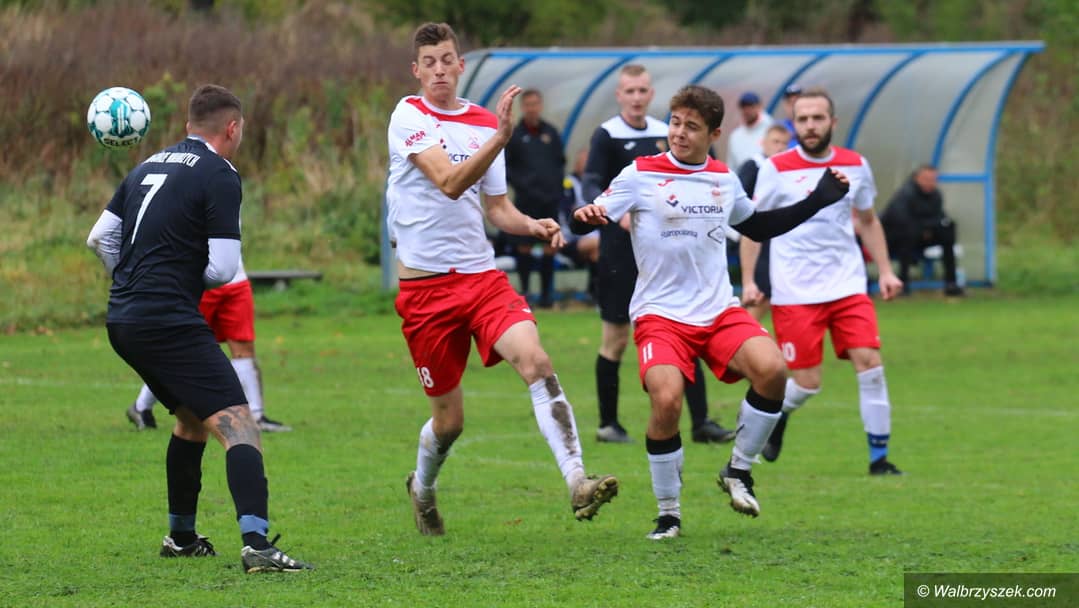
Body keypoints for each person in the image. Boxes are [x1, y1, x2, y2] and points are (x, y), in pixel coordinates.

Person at [572, 84, 851, 537]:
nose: (679, 133)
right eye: (675, 123)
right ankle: (669, 513)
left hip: (718, 310)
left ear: (713, 134)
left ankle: (738, 469)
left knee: (773, 371)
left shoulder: (723, 179)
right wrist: (584, 217)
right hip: (661, 315)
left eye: (692, 126)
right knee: (666, 399)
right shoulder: (640, 173)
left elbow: (757, 225)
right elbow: (593, 211)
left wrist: (817, 199)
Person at [386, 22, 618, 537]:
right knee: (449, 423)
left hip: (481, 278)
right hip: (425, 290)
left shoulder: (483, 122)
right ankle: (422, 489)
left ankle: (577, 480)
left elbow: (495, 207)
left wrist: (532, 225)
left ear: (461, 65)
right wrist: (500, 138)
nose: (440, 70)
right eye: (430, 62)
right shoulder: (409, 115)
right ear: (417, 70)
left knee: (536, 361)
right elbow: (449, 183)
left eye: (447, 60)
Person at [86, 84, 312, 572]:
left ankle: (182, 538)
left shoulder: (146, 165)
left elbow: (99, 237)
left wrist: (129, 279)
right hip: (167, 318)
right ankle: (258, 546)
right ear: (232, 128)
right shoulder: (220, 173)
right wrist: (177, 281)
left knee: (191, 421)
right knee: (240, 425)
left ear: (189, 125)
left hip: (122, 318)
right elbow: (223, 269)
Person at [740, 87, 905, 476]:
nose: (810, 126)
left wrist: (885, 270)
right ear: (793, 124)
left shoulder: (856, 165)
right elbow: (753, 227)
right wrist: (748, 280)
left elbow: (868, 220)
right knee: (807, 383)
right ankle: (778, 414)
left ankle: (879, 460)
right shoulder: (775, 168)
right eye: (802, 119)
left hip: (848, 285)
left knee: (871, 363)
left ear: (833, 122)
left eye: (817, 118)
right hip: (795, 291)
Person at [582, 64, 734, 445]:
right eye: (629, 91)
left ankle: (701, 421)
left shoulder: (666, 133)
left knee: (686, 327)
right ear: (619, 95)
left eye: (642, 91)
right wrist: (609, 214)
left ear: (651, 95)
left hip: (669, 252)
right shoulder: (607, 134)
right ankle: (608, 423)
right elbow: (591, 183)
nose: (636, 97)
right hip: (620, 253)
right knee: (616, 338)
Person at [125, 256, 292, 433]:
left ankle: (256, 416)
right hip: (200, 284)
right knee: (182, 352)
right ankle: (141, 407)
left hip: (236, 281)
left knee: (243, 347)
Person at [504, 89, 566, 307]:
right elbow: (507, 167)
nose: (532, 108)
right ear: (523, 107)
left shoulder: (551, 132)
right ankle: (526, 292)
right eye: (528, 104)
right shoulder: (515, 135)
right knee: (524, 246)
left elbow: (560, 162)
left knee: (550, 245)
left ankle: (547, 295)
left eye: (535, 104)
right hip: (526, 200)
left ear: (540, 106)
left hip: (549, 200)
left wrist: (556, 190)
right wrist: (524, 186)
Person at [881, 164, 964, 296]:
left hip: (923, 235)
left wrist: (928, 228)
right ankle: (903, 283)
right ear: (917, 178)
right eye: (926, 179)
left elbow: (939, 217)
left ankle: (951, 283)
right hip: (895, 239)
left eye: (933, 179)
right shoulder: (905, 194)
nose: (930, 183)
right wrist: (924, 228)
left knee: (948, 231)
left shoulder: (936, 195)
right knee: (907, 235)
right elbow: (901, 219)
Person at [737, 124, 793, 321]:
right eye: (776, 142)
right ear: (763, 142)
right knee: (760, 294)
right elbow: (740, 204)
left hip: (779, 240)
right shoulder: (753, 166)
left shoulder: (786, 170)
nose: (780, 147)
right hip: (757, 239)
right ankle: (741, 331)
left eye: (784, 143)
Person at [725, 91, 773, 173]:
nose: (747, 110)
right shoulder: (735, 136)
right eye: (743, 107)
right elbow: (731, 167)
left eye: (750, 106)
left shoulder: (771, 129)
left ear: (759, 107)